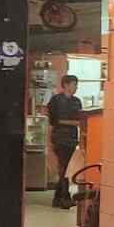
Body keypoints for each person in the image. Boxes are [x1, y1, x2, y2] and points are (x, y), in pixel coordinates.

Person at [47, 75, 84, 208]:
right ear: (66, 85)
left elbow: (80, 119)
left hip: (72, 139)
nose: (76, 87)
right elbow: (54, 120)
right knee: (64, 168)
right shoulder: (56, 100)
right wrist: (73, 123)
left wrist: (72, 122)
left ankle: (57, 199)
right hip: (60, 139)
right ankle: (64, 197)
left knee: (66, 168)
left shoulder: (77, 101)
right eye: (74, 84)